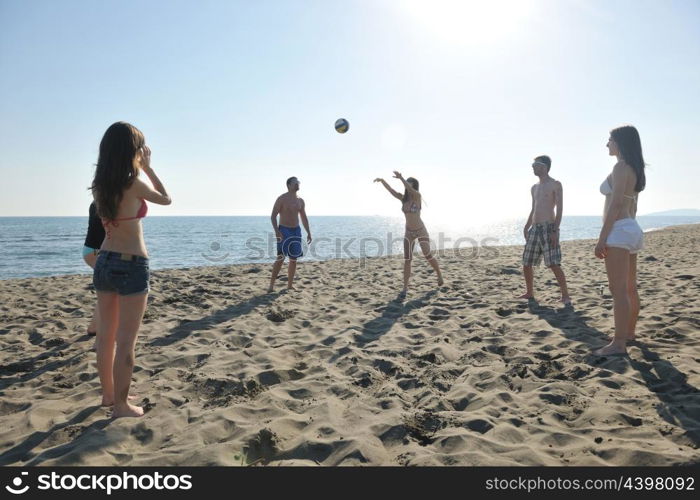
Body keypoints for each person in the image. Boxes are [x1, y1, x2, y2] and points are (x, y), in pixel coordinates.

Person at [90, 121, 171, 418]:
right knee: (126, 340)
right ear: (132, 150)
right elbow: (166, 198)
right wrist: (148, 168)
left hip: (105, 261)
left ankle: (109, 396)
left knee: (105, 337)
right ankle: (121, 406)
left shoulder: (100, 185)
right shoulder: (133, 182)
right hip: (132, 262)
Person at [593, 125, 646, 356]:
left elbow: (615, 206)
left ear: (620, 143)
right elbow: (630, 204)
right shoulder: (635, 168)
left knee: (618, 291)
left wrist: (601, 238)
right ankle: (628, 333)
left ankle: (618, 344)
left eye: (610, 140)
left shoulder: (620, 167)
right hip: (632, 228)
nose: (607, 144)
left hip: (620, 229)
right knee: (630, 288)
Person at [374, 171, 443, 298]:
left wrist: (401, 178)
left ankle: (438, 274)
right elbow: (391, 191)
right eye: (407, 184)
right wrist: (382, 181)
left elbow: (409, 188)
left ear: (414, 186)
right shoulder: (403, 199)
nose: (407, 187)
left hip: (420, 230)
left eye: (409, 185)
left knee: (427, 255)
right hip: (409, 232)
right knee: (407, 260)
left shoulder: (417, 196)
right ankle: (405, 288)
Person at [519, 156, 571, 305]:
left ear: (544, 166)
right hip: (535, 228)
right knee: (527, 262)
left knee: (553, 263)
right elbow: (533, 208)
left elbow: (560, 209)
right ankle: (530, 292)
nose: (533, 167)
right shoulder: (534, 187)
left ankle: (565, 296)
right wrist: (526, 226)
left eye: (536, 165)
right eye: (532, 165)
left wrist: (555, 230)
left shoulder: (555, 184)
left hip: (549, 227)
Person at [268, 176, 312, 292]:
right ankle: (271, 286)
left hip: (296, 231)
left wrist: (308, 232)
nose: (298, 184)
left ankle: (289, 285)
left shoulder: (300, 200)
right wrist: (277, 231)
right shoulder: (281, 199)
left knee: (293, 259)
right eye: (295, 183)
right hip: (284, 230)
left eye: (298, 182)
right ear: (289, 185)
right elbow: (273, 216)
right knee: (281, 257)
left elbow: (304, 218)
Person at [83, 201, 105, 336]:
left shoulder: (97, 201)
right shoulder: (102, 203)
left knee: (107, 291)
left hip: (91, 250)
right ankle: (94, 327)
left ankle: (94, 327)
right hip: (95, 252)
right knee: (108, 292)